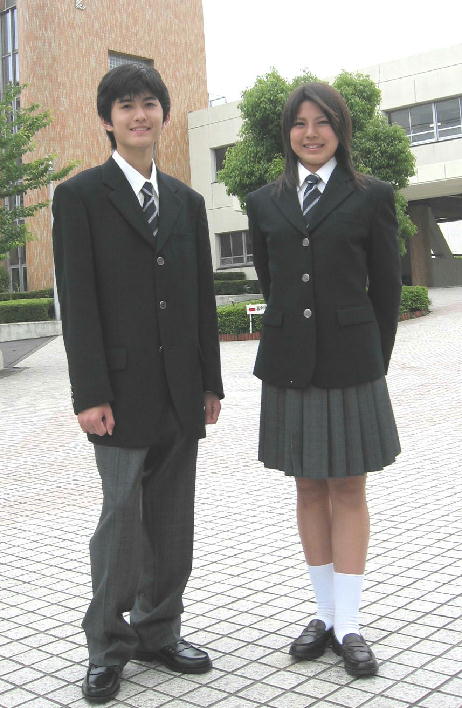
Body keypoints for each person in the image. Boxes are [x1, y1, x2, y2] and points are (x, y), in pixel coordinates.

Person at [52, 63, 223, 703]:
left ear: (163, 115)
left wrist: (210, 383)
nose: (139, 115)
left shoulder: (187, 200)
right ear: (107, 120)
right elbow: (79, 300)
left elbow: (201, 299)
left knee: (174, 523)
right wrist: (89, 393)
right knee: (122, 524)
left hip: (182, 391)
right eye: (125, 106)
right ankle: (108, 643)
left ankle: (159, 631)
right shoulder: (80, 197)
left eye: (149, 104)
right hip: (117, 396)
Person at [246, 82, 401, 677]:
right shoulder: (264, 202)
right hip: (289, 365)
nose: (311, 133)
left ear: (342, 128)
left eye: (323, 122)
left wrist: (372, 361)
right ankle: (326, 615)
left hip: (351, 363)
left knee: (348, 489)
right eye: (300, 123)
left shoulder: (372, 196)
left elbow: (385, 290)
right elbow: (272, 282)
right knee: (307, 488)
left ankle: (352, 623)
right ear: (286, 133)